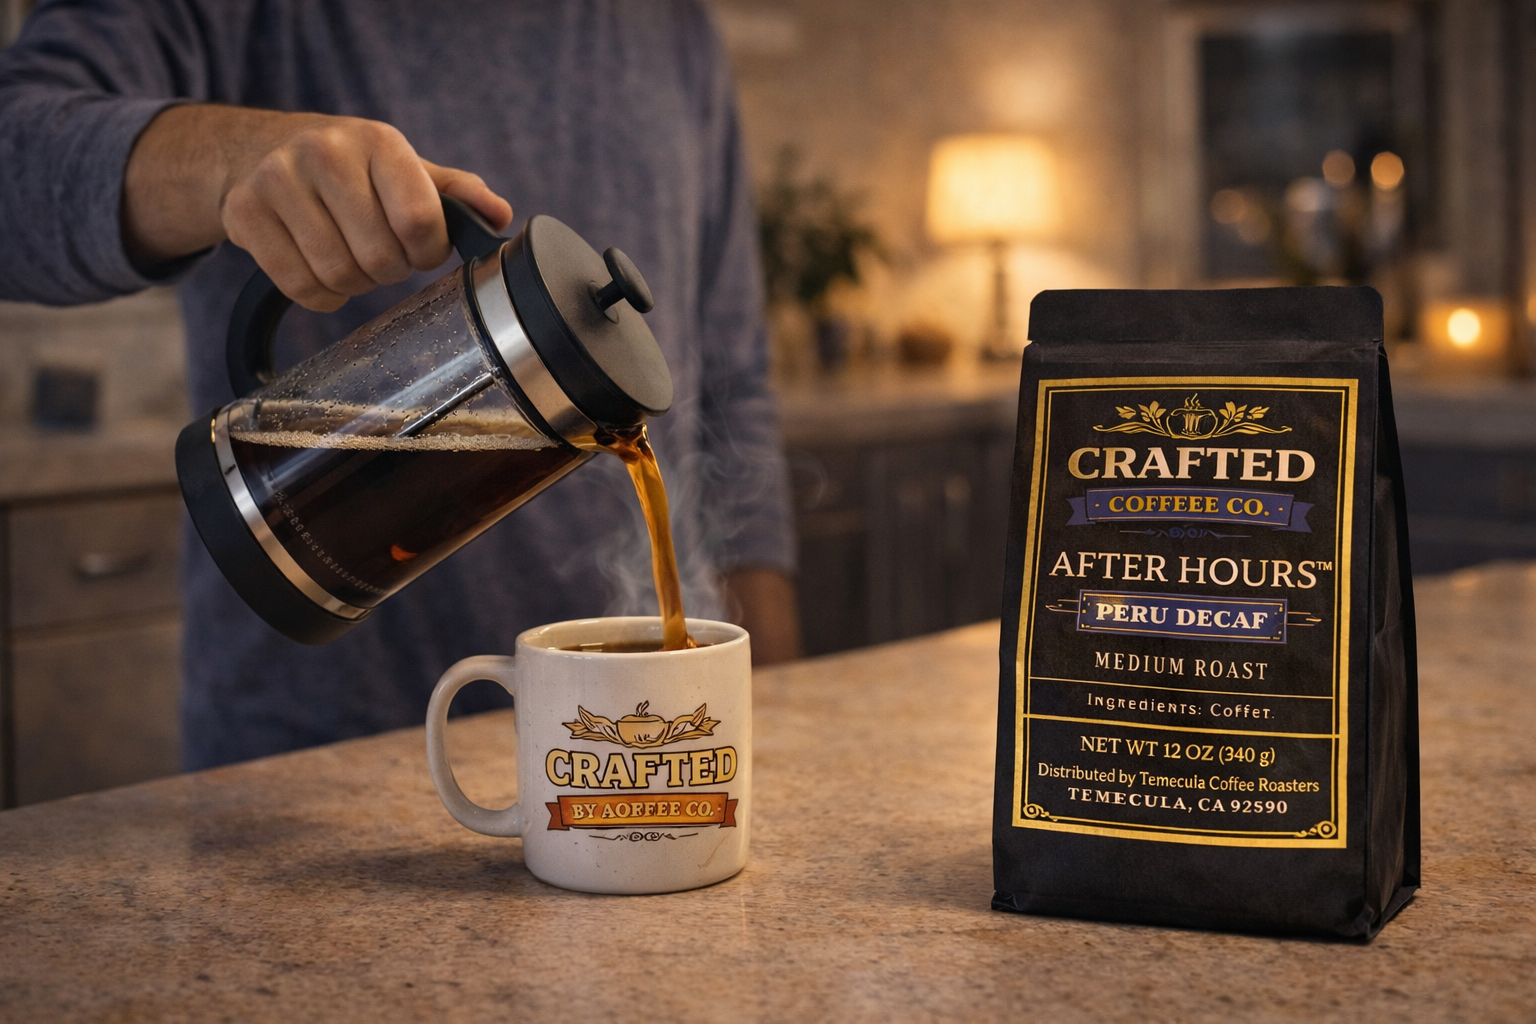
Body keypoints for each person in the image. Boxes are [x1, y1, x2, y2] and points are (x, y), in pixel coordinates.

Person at [0, 0, 800, 769]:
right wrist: (229, 158)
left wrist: (769, 702)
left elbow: (730, 384)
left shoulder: (674, 22)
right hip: (319, 757)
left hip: (640, 749)